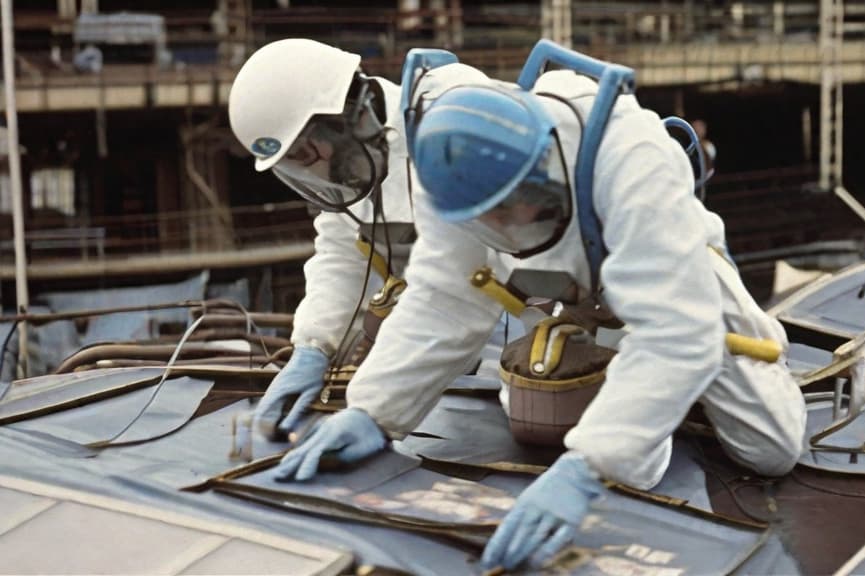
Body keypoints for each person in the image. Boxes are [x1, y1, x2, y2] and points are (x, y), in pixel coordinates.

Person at [272, 49, 807, 570]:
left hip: (669, 275)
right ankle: (641, 402)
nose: (501, 227)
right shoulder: (448, 174)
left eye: (510, 211)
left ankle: (675, 399)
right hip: (557, 284)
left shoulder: (630, 159)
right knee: (548, 419)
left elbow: (675, 330)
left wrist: (589, 466)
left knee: (769, 449)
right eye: (488, 222)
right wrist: (373, 410)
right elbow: (445, 295)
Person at [228, 39, 487, 439]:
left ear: (348, 115)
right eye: (295, 164)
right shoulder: (352, 165)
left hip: (502, 335)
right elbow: (342, 255)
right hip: (435, 338)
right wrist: (314, 346)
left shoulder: (453, 123)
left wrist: (375, 411)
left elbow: (456, 292)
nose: (316, 176)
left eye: (308, 155)